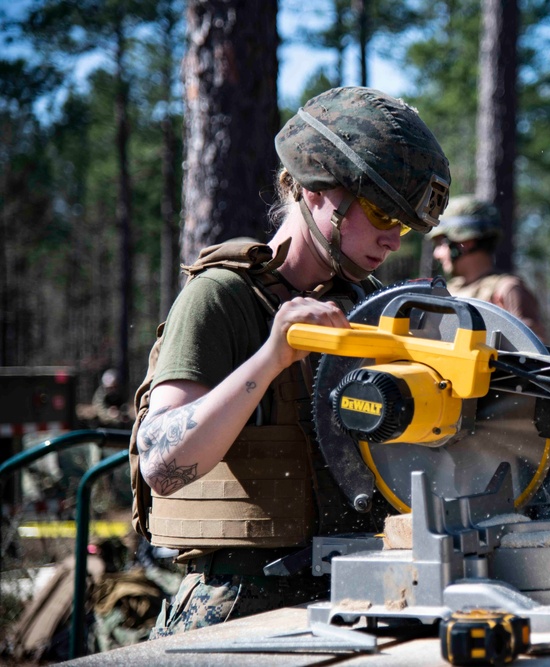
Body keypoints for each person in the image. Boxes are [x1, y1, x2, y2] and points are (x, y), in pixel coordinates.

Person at [127, 86, 450, 638]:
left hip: (355, 592)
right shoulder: (222, 297)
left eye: (402, 225)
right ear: (312, 188)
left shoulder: (367, 308)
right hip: (237, 606)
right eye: (379, 213)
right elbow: (160, 465)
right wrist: (273, 356)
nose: (392, 240)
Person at [429, 195, 547, 341]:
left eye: (441, 244)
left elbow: (532, 353)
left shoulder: (507, 289)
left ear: (466, 242)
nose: (437, 254)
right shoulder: (446, 291)